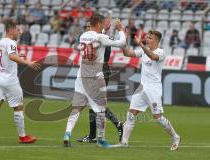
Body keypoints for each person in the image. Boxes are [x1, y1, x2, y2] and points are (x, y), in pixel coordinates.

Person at [63, 13, 126, 148]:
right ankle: (101, 139)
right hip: (95, 76)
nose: (102, 25)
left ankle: (67, 134)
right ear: (98, 23)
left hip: (81, 76)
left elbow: (96, 40)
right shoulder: (100, 37)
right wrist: (120, 30)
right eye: (102, 23)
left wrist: (104, 31)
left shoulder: (83, 36)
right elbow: (122, 43)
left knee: (77, 108)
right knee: (101, 110)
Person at [0, 19, 41, 143]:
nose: (19, 32)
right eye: (17, 29)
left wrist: (18, 55)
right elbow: (10, 56)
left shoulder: (0, 42)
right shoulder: (11, 42)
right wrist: (28, 63)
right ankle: (22, 136)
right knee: (18, 106)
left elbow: (5, 57)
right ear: (11, 30)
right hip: (10, 80)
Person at [113, 30, 181, 151]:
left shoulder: (161, 52)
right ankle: (124, 142)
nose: (147, 39)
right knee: (131, 113)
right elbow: (127, 53)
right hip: (142, 87)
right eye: (147, 37)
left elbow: (153, 56)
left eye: (150, 38)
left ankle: (175, 137)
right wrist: (124, 41)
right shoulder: (143, 51)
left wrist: (141, 45)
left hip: (154, 89)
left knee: (157, 117)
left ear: (156, 40)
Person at [76, 21, 123, 143]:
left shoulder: (101, 40)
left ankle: (117, 124)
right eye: (86, 27)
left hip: (100, 71)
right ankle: (93, 135)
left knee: (97, 104)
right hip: (97, 72)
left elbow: (102, 54)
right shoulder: (95, 39)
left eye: (89, 26)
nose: (87, 29)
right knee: (94, 104)